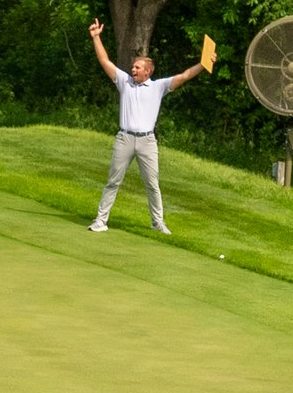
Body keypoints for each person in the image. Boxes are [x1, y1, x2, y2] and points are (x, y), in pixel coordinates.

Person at [86, 18, 207, 234]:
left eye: (137, 67)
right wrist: (96, 38)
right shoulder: (124, 82)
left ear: (148, 71)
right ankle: (100, 220)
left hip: (147, 141)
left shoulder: (158, 87)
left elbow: (185, 75)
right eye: (133, 67)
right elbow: (105, 61)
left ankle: (157, 222)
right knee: (113, 181)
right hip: (125, 138)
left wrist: (204, 64)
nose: (132, 69)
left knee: (152, 184)